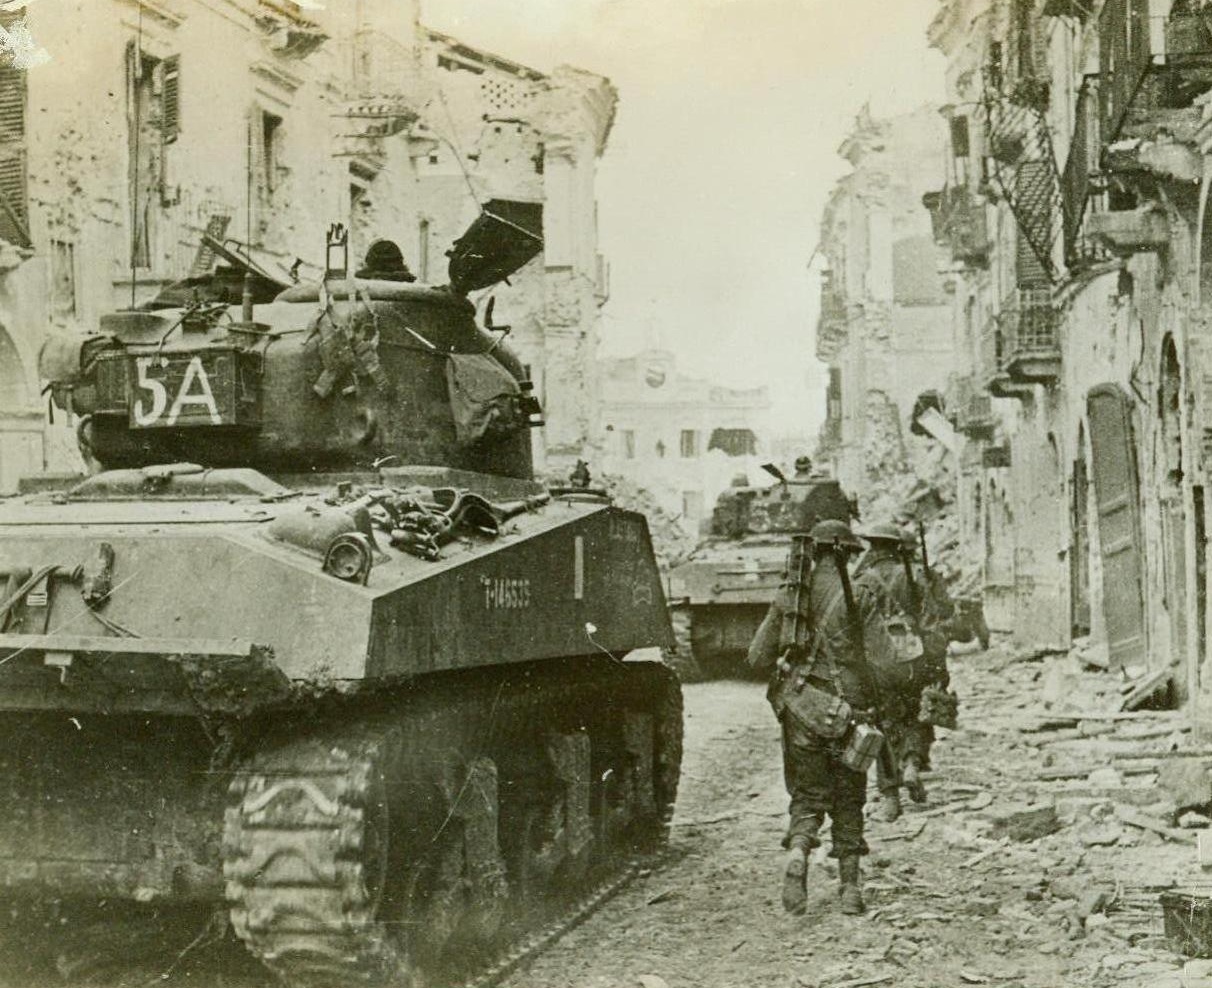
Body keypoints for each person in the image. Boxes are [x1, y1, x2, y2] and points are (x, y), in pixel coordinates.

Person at [748, 519, 892, 917]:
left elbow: (756, 656)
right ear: (847, 551)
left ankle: (797, 853)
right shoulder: (860, 594)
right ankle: (849, 888)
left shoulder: (792, 594)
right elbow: (885, 661)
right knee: (849, 797)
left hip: (801, 710)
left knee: (808, 795)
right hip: (851, 713)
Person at [853, 523, 954, 821]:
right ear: (897, 547)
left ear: (873, 548)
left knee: (883, 724)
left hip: (878, 664)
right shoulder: (914, 578)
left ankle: (890, 798)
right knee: (916, 714)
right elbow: (932, 624)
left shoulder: (861, 581)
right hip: (914, 657)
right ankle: (911, 761)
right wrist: (937, 666)